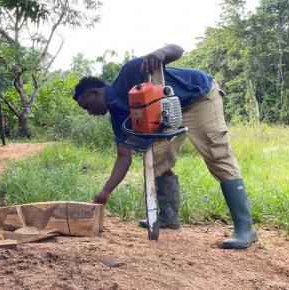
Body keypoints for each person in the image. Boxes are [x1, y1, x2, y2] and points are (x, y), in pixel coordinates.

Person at [73, 44, 257, 249]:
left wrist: (160, 54)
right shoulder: (118, 118)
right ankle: (168, 217)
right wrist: (106, 191)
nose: (89, 112)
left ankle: (245, 228)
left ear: (95, 92)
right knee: (157, 159)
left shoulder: (131, 71)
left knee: (217, 154)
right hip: (169, 116)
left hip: (198, 97)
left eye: (87, 106)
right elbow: (123, 156)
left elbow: (177, 50)